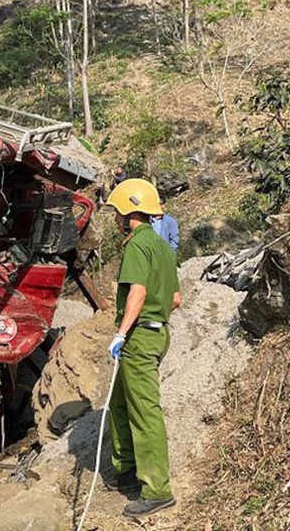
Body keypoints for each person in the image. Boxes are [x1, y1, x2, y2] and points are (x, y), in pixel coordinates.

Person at [104, 178, 182, 518]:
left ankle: (156, 490)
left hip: (139, 336)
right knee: (121, 402)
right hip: (157, 332)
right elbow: (176, 298)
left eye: (116, 212)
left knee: (144, 412)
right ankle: (126, 469)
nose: (115, 218)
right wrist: (156, 312)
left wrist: (123, 331)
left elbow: (136, 291)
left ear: (127, 212)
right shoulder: (164, 247)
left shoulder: (137, 245)